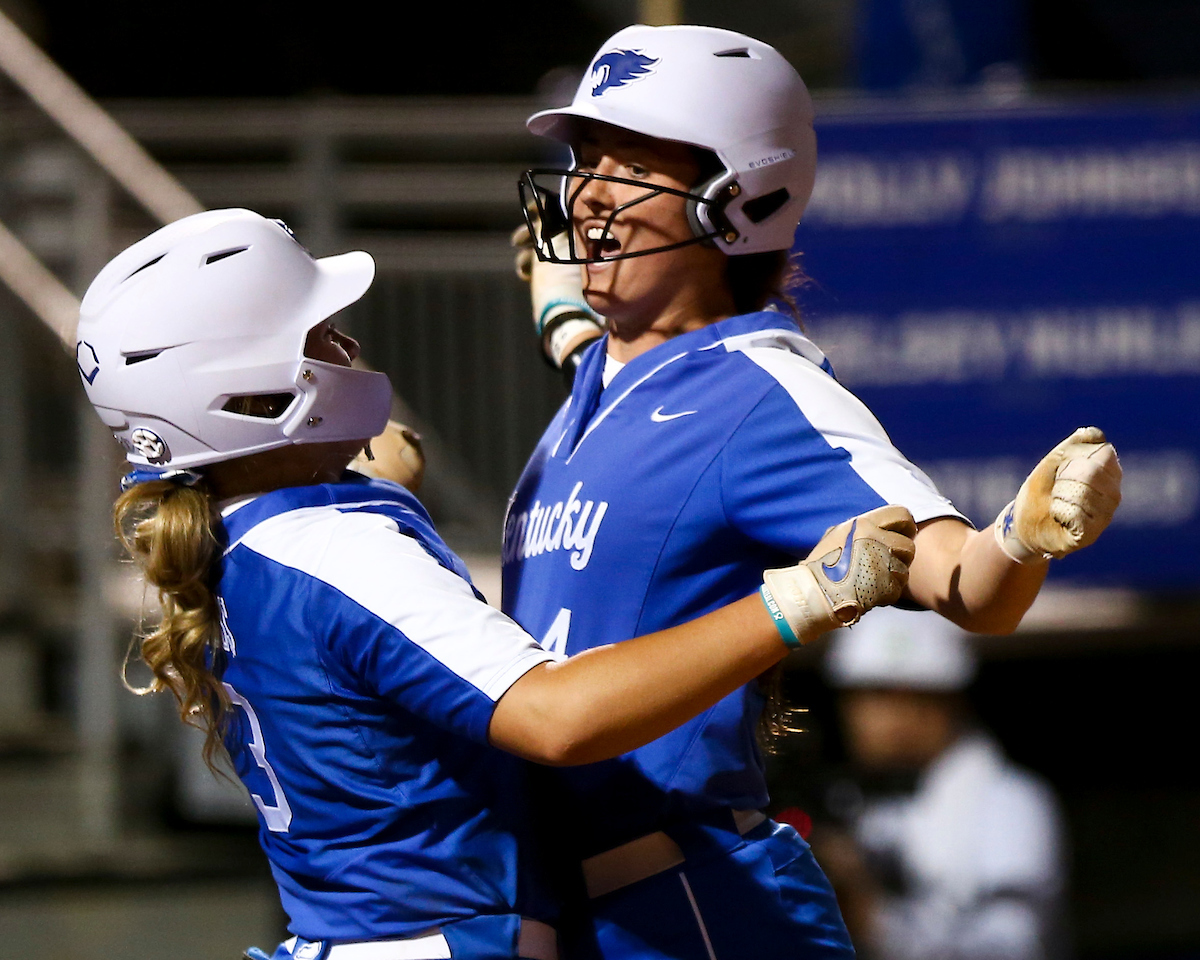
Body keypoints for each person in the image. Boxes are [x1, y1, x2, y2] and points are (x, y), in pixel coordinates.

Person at [76, 208, 918, 960]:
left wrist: (376, 482)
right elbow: (560, 719)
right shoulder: (338, 551)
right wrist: (802, 599)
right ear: (250, 396)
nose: (346, 349)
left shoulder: (238, 537)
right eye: (318, 338)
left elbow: (336, 570)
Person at [506, 23, 1120, 960]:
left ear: (736, 200)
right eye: (583, 159)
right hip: (599, 913)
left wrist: (1022, 538)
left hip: (699, 913)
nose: (585, 192)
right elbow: (598, 353)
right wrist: (564, 304)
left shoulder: (760, 386)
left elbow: (966, 586)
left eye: (627, 166)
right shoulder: (610, 368)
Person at [817, 607, 1066, 960]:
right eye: (856, 699)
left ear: (929, 702)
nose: (860, 718)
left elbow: (1012, 947)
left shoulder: (1012, 803)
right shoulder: (853, 801)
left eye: (875, 697)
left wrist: (873, 918)